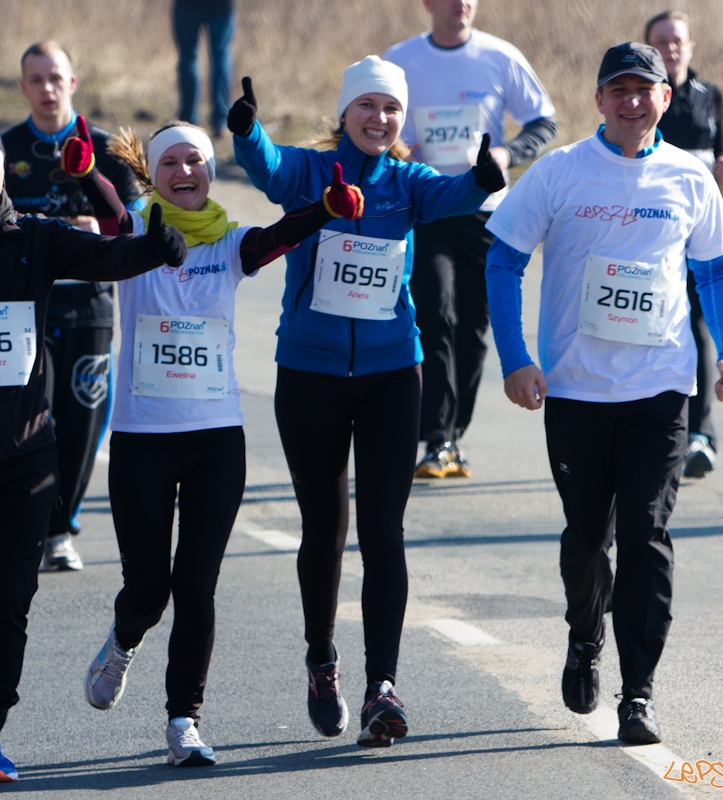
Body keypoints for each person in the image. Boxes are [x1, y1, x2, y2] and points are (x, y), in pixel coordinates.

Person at [0, 115, 185, 782]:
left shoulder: (38, 239)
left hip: (26, 461)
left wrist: (157, 246)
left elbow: (110, 254)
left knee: (9, 601)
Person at [67, 116, 365, 766]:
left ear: (207, 170)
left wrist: (324, 209)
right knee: (148, 591)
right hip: (142, 440)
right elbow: (112, 214)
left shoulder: (230, 243)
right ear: (156, 172)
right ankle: (122, 642)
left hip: (215, 442)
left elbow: (275, 238)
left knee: (196, 586)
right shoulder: (138, 233)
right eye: (170, 163)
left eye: (194, 162)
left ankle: (184, 722)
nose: (184, 173)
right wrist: (87, 171)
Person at [230, 58, 504, 746]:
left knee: (383, 529)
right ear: (345, 112)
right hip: (310, 374)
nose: (379, 120)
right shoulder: (312, 173)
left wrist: (483, 177)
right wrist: (246, 131)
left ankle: (383, 685)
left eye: (391, 110)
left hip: (390, 374)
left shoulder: (408, 183)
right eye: (368, 107)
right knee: (324, 529)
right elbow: (267, 168)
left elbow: (457, 197)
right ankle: (323, 661)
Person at [484, 43, 723, 744]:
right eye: (618, 90)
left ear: (666, 98)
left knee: (647, 537)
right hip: (574, 390)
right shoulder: (561, 172)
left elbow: (718, 272)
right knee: (584, 540)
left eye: (645, 90)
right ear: (599, 100)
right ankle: (583, 634)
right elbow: (503, 259)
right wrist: (515, 358)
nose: (632, 102)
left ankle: (638, 693)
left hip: (661, 388)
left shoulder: (689, 177)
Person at [384, 0, 557, 479]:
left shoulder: (500, 57)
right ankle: (437, 435)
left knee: (474, 326)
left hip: (484, 211)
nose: (461, 4)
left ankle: (453, 434)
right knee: (435, 313)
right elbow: (372, 122)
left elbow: (544, 123)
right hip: (427, 204)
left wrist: (507, 151)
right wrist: (399, 150)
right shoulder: (401, 60)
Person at [2, 41, 142, 572]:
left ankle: (61, 530)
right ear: (23, 87)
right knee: (31, 421)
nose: (46, 88)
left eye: (55, 77)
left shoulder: (106, 149)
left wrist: (95, 229)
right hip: (25, 308)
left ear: (73, 82)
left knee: (81, 421)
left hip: (90, 306)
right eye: (35, 79)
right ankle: (32, 521)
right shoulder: (5, 147)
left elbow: (133, 225)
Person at [646, 9, 723, 480]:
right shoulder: (641, 100)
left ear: (690, 46)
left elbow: (722, 156)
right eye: (662, 41)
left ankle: (701, 436)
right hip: (656, 234)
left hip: (700, 232)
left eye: (678, 40)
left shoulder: (710, 96)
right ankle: (659, 430)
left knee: (699, 326)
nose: (671, 48)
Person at [173, 0, 234, 134]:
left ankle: (188, 119)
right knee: (221, 56)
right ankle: (220, 120)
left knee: (188, 57)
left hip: (188, 5)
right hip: (221, 6)